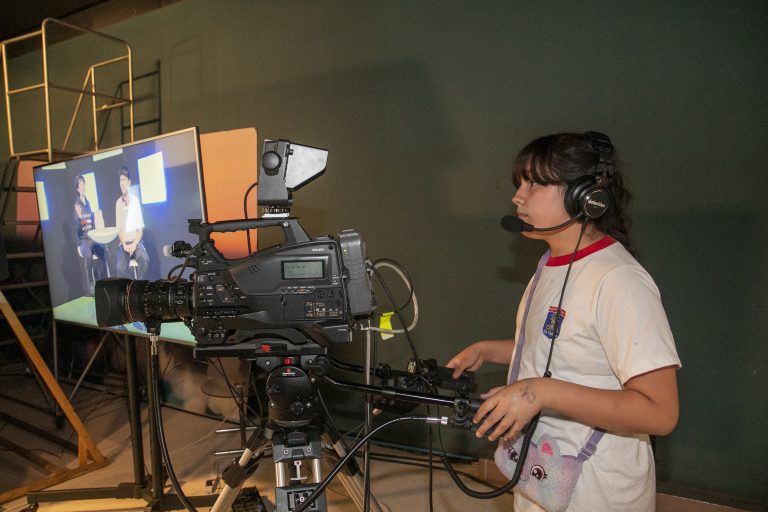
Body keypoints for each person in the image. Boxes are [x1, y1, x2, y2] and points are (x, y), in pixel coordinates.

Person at [447, 132, 680, 512]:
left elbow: (660, 411)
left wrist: (541, 392)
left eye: (534, 184)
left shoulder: (619, 280)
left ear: (584, 197)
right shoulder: (551, 264)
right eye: (519, 183)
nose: (517, 197)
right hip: (544, 475)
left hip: (597, 491)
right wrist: (489, 351)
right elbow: (569, 349)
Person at [115, 165, 149, 280]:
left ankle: (141, 286)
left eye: (124, 180)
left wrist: (134, 244)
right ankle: (125, 289)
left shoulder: (135, 201)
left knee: (144, 259)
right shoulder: (118, 203)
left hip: (136, 242)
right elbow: (119, 229)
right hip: (124, 244)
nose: (122, 183)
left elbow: (140, 230)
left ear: (129, 182)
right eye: (120, 180)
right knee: (120, 267)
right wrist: (125, 245)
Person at [74, 174, 106, 295]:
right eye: (80, 184)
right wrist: (79, 218)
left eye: (84, 183)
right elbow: (77, 228)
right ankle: (91, 284)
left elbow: (92, 222)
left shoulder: (88, 203)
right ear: (78, 188)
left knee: (103, 253)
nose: (83, 186)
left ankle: (97, 278)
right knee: (88, 256)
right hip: (83, 240)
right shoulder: (77, 205)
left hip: (92, 238)